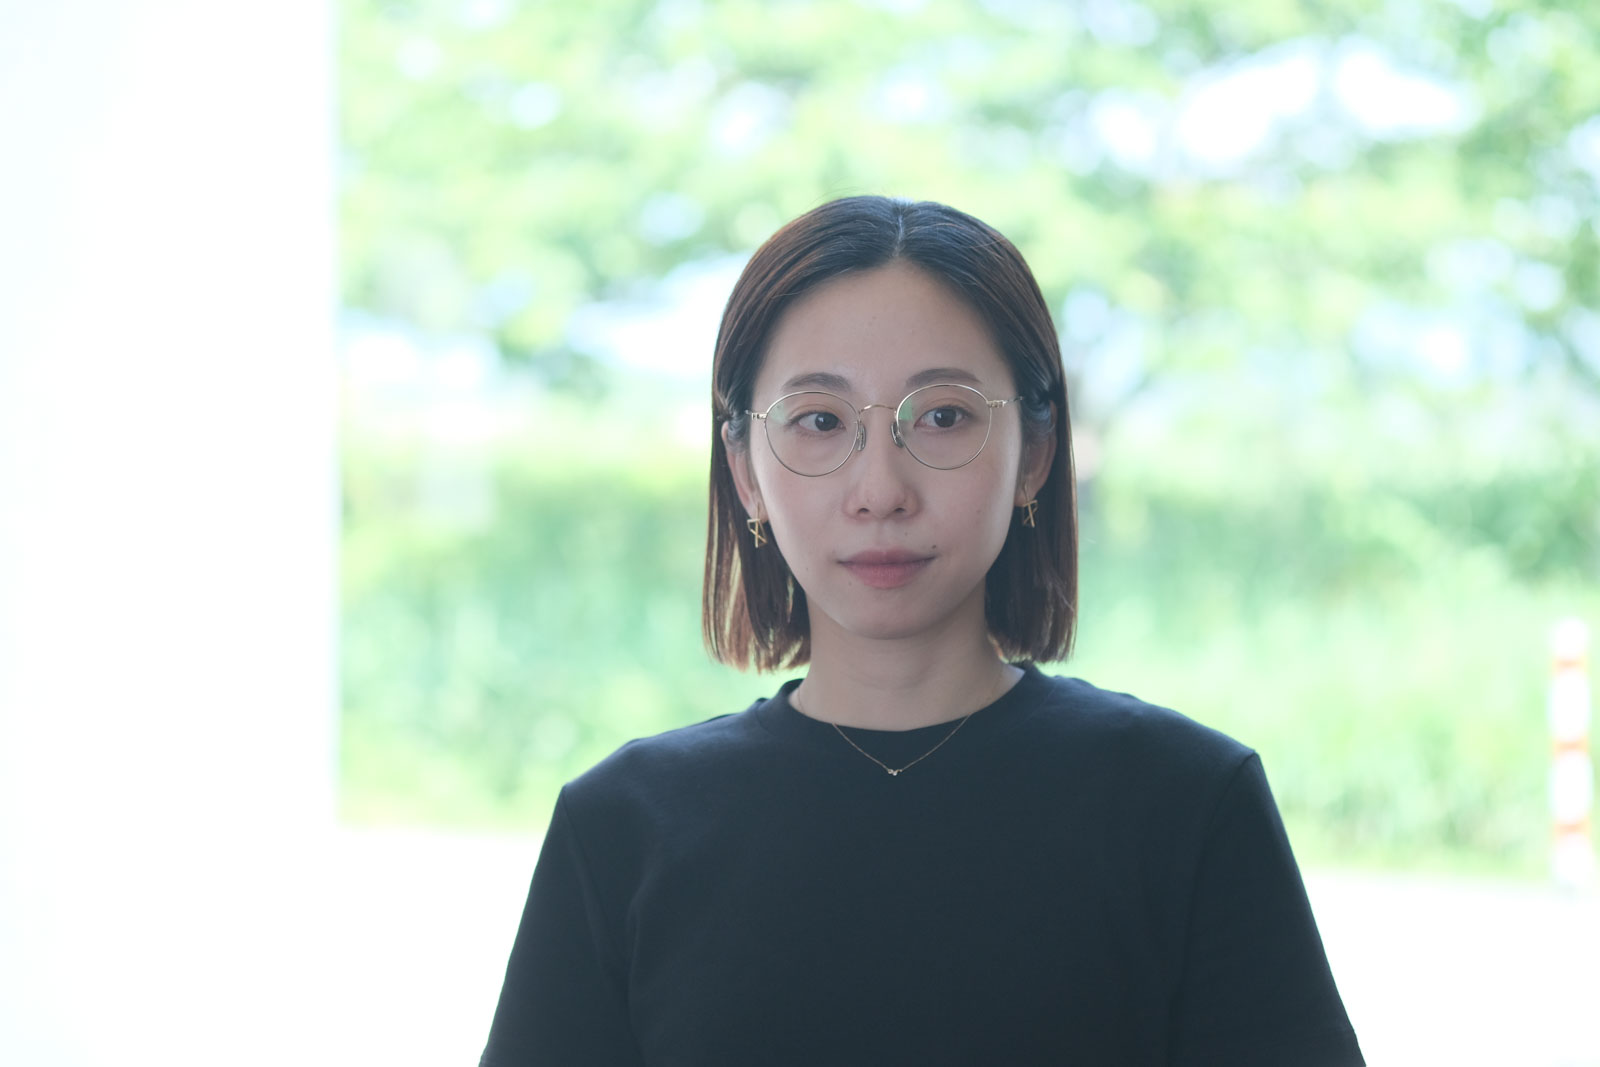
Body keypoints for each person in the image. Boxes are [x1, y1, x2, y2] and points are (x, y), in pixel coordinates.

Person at [481, 196, 1364, 1066]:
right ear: (745, 469)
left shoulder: (1189, 804)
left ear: (1036, 453)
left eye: (942, 416)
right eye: (820, 422)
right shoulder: (620, 829)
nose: (880, 490)